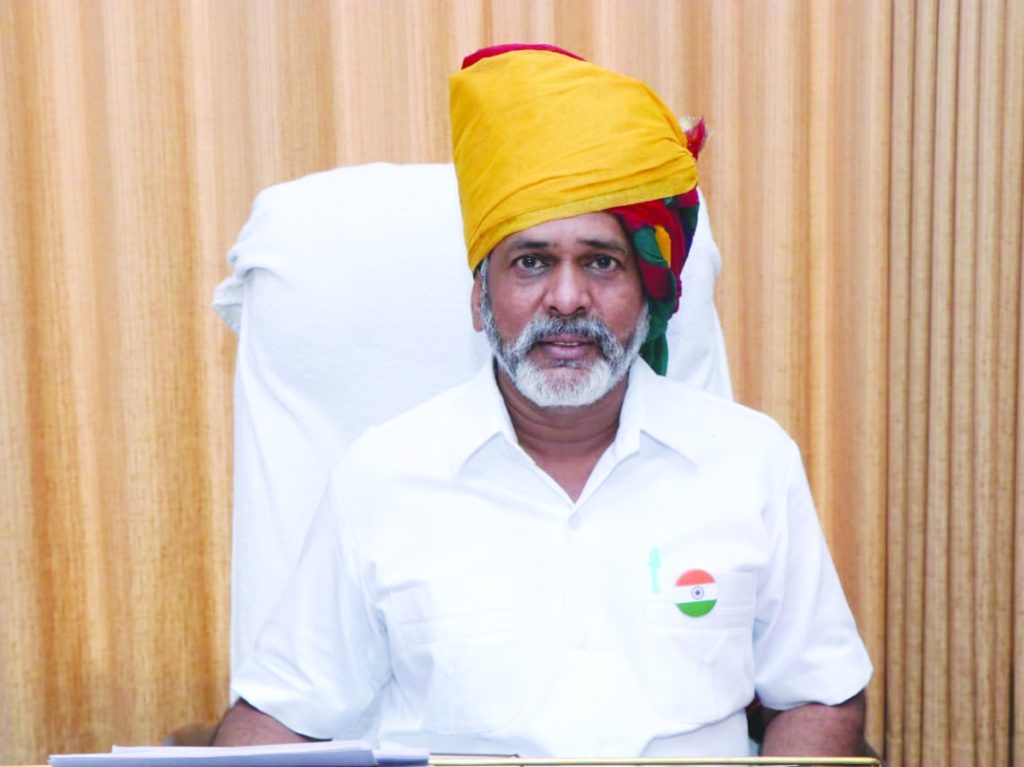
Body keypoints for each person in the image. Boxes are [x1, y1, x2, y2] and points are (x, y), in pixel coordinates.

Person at [213, 45, 872, 757]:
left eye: (600, 262)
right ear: (479, 299)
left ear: (648, 297)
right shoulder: (381, 477)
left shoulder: (751, 462)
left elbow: (819, 692)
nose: (566, 297)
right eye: (531, 262)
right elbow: (279, 713)